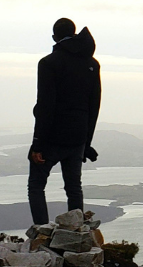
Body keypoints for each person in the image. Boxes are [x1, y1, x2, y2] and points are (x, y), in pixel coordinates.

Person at [27, 17, 102, 226]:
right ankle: (76, 231)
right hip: (77, 137)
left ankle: (42, 232)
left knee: (36, 185)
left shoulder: (48, 63)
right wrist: (86, 143)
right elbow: (94, 106)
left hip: (52, 136)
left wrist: (37, 144)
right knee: (73, 187)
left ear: (54, 37)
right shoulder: (92, 65)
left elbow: (45, 106)